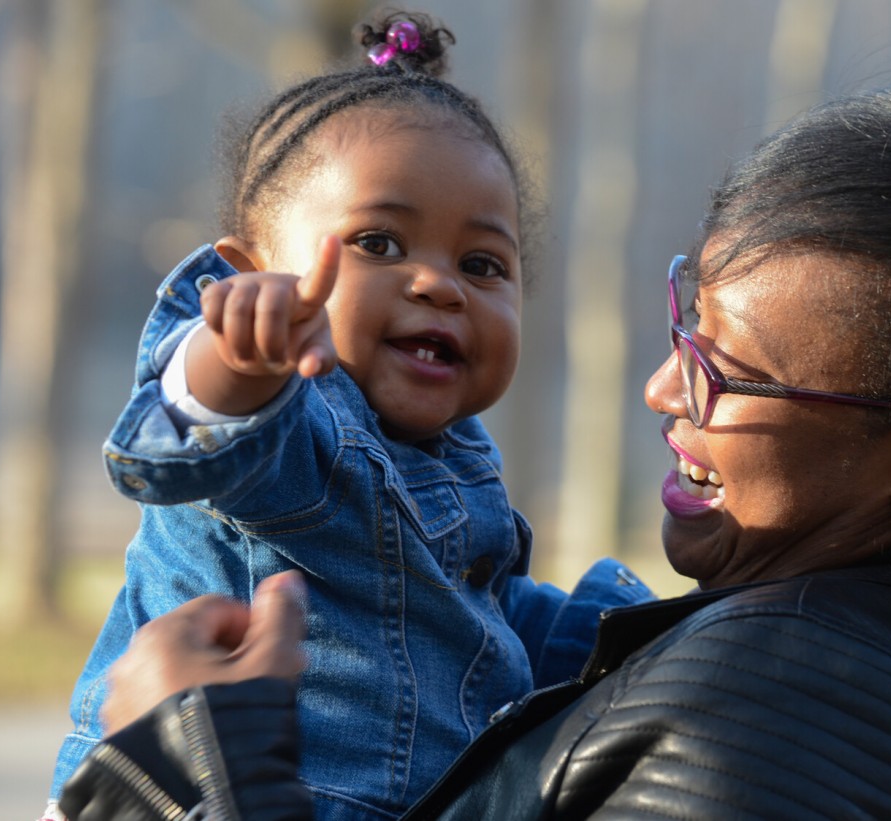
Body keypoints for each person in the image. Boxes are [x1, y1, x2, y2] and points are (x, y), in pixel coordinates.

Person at [55, 82, 891, 820]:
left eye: (729, 367)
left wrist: (177, 769)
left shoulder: (771, 715)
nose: (666, 387)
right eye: (684, 325)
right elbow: (195, 435)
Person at [44, 11, 652, 821]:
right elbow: (197, 437)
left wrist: (624, 636)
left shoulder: (457, 458)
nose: (440, 285)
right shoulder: (292, 411)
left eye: (482, 264)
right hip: (210, 791)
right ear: (248, 275)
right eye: (379, 242)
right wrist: (237, 350)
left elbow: (478, 630)